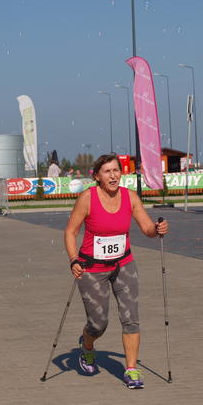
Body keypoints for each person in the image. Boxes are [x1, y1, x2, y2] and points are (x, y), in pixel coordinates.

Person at [64, 153, 168, 389]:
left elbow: (147, 228)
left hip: (124, 265)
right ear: (97, 177)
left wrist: (157, 229)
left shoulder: (130, 197)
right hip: (92, 268)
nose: (113, 176)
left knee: (131, 319)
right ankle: (87, 346)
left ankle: (131, 369)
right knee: (98, 324)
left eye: (116, 170)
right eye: (107, 172)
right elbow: (70, 231)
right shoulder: (87, 198)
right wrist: (73, 260)